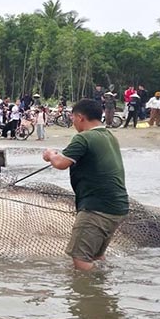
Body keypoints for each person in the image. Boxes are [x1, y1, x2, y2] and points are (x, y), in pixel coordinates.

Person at [42, 99, 129, 271]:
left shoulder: (84, 138)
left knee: (80, 258)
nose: (73, 122)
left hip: (97, 208)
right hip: (117, 206)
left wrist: (50, 155)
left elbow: (60, 163)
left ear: (80, 117)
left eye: (73, 118)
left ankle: (92, 294)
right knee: (96, 255)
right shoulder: (109, 136)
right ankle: (104, 287)